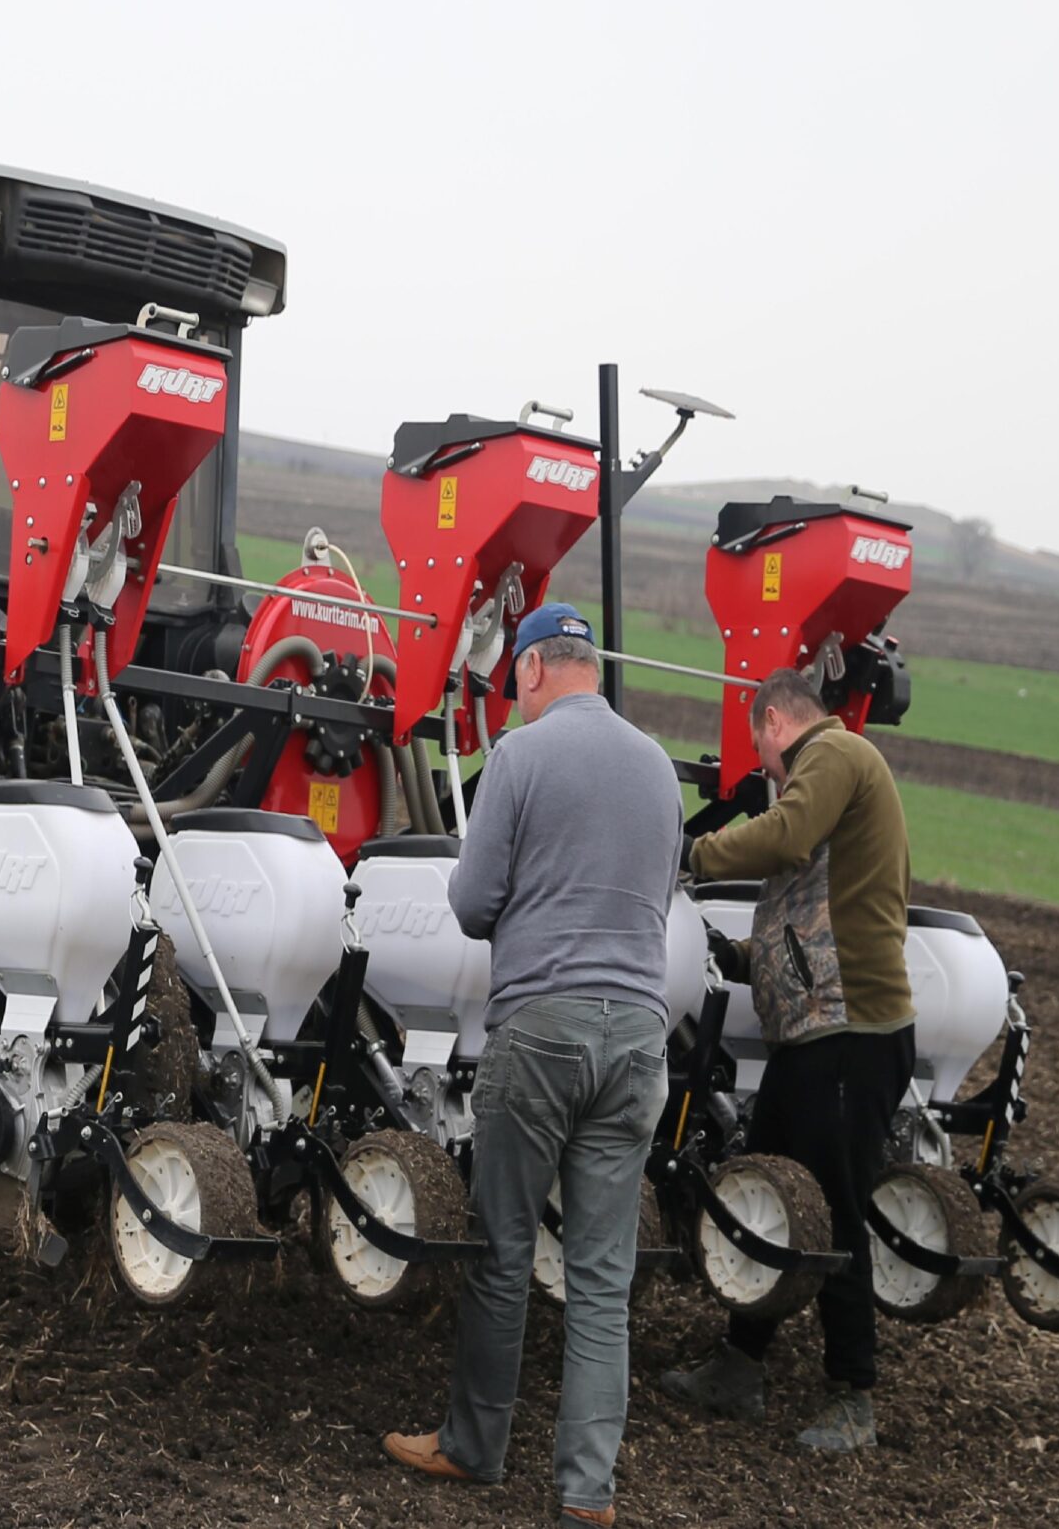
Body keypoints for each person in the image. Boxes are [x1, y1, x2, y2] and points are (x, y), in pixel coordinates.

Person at [383, 603, 684, 1529]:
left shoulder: (520, 755)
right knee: (600, 1272)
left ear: (531, 673)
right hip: (639, 1034)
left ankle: (475, 1446)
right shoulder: (659, 766)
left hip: (543, 1027)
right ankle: (586, 1492)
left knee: (505, 1249)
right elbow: (663, 897)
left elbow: (473, 904)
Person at [661, 666, 916, 1454]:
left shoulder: (834, 755)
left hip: (850, 1034)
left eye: (758, 748)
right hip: (813, 1035)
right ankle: (741, 1365)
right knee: (772, 1196)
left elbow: (785, 838)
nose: (762, 768)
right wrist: (742, 956)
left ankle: (854, 1396)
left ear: (773, 721)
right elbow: (808, 899)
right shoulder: (828, 770)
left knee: (834, 1209)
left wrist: (690, 855)